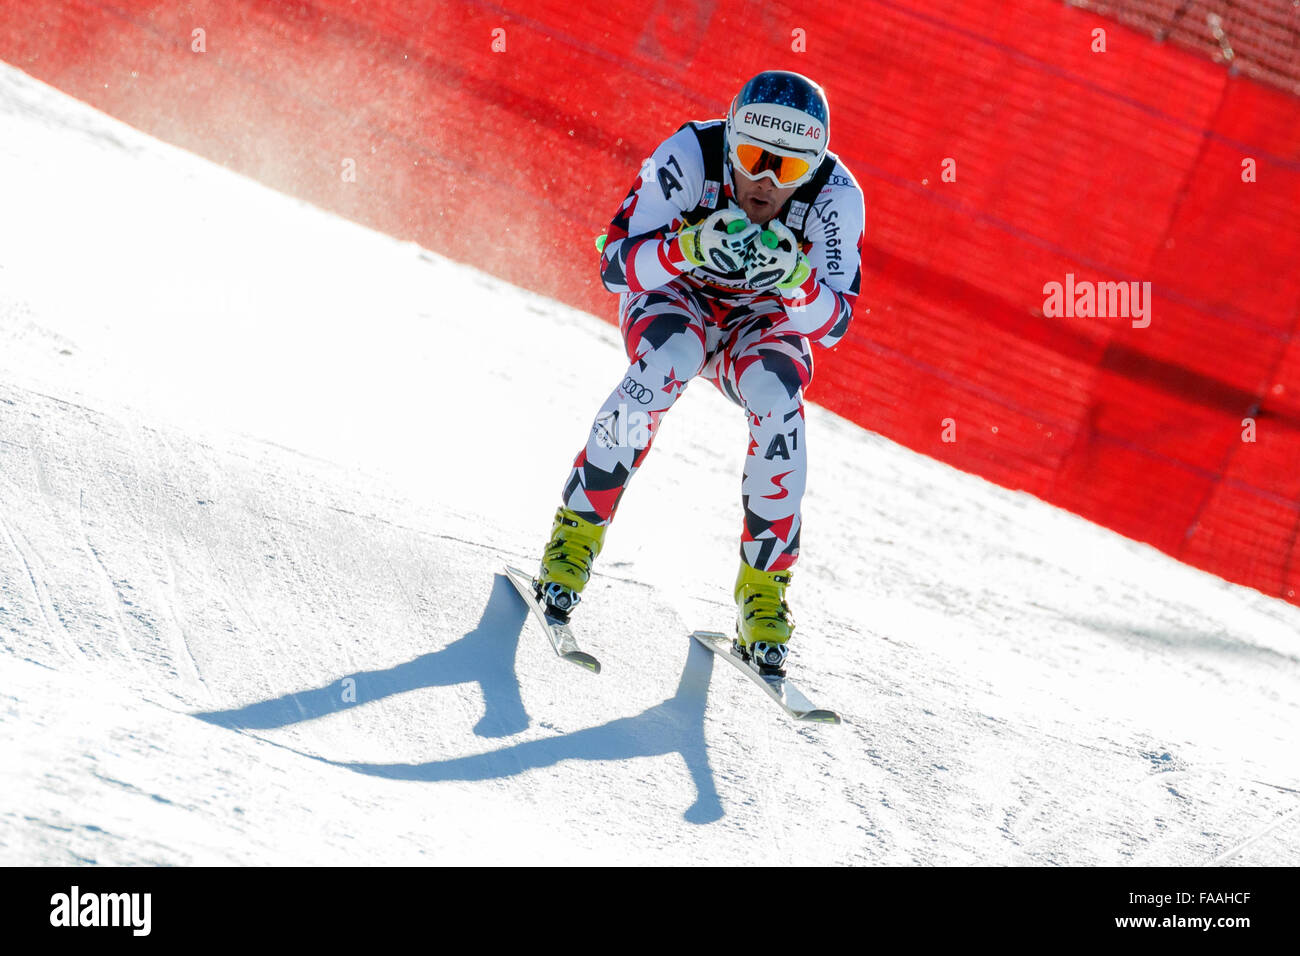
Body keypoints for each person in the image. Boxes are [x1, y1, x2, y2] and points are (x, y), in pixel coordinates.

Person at [530, 69, 865, 677]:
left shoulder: (837, 196)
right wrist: (686, 247)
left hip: (759, 323)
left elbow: (835, 321)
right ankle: (573, 540)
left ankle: (763, 594)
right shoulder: (688, 154)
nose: (764, 180)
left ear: (813, 168)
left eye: (787, 169)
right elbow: (614, 265)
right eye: (752, 157)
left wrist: (798, 281)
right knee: (668, 363)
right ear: (729, 137)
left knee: (778, 403)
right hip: (676, 298)